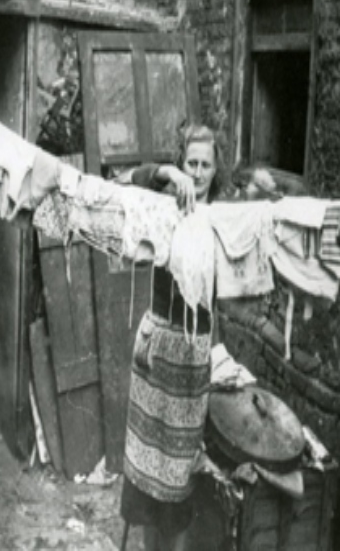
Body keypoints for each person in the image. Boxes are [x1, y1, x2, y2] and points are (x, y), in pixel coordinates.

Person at [120, 123, 225, 551]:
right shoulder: (163, 204)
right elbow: (124, 182)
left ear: (217, 170)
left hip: (191, 359)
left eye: (205, 165)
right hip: (156, 349)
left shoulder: (221, 219)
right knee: (145, 477)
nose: (197, 173)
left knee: (180, 477)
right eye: (190, 163)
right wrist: (166, 172)